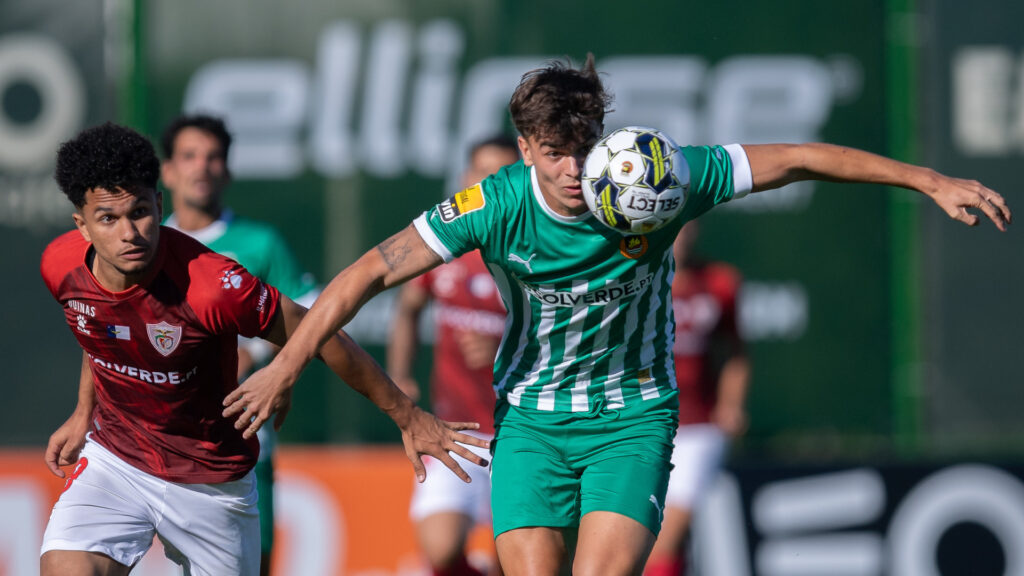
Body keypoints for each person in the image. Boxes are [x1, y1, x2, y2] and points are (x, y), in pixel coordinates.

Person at [227, 54, 1011, 576]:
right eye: (555, 152)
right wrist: (287, 366)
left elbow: (800, 157)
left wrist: (927, 179)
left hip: (632, 417)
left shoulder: (658, 179)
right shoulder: (492, 205)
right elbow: (369, 271)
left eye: (583, 147)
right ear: (526, 148)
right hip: (529, 420)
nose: (575, 171)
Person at [39, 122, 487, 576]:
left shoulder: (213, 285)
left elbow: (322, 333)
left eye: (139, 211)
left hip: (212, 482)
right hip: (119, 462)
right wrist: (83, 412)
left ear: (159, 202)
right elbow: (97, 330)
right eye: (108, 219)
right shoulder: (60, 266)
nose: (129, 233)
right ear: (83, 226)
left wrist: (407, 416)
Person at [159, 113, 318, 576]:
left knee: (252, 563)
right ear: (167, 171)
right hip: (153, 437)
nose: (201, 168)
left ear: (226, 171)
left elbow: (310, 316)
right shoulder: (146, 245)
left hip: (239, 429)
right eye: (189, 156)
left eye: (213, 158)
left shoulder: (260, 242)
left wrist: (260, 352)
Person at [388, 135, 519, 576]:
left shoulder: (537, 254)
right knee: (441, 553)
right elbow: (407, 310)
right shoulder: (445, 250)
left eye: (504, 174)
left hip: (524, 433)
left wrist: (504, 344)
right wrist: (400, 375)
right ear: (465, 181)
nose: (493, 184)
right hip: (454, 430)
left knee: (521, 563)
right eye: (483, 173)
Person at [644, 222, 750, 576]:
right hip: (641, 423)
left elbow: (735, 353)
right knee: (634, 538)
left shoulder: (720, 282)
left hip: (698, 427)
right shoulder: (632, 282)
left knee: (666, 536)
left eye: (687, 226)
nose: (681, 236)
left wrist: (731, 405)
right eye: (672, 228)